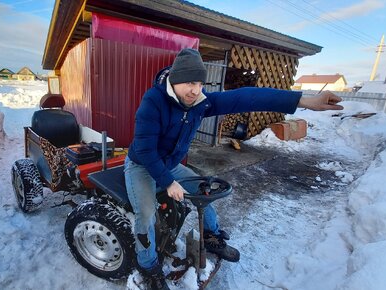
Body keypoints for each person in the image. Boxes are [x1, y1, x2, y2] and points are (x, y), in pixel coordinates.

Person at [124, 48, 343, 290]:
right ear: (174, 80)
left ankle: (211, 236)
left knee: (203, 189)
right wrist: (167, 182)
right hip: (142, 166)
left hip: (169, 166)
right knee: (145, 213)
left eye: (199, 82)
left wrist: (303, 100)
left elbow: (245, 97)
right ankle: (148, 266)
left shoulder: (199, 102)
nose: (195, 90)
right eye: (188, 82)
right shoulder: (153, 102)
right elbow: (144, 149)